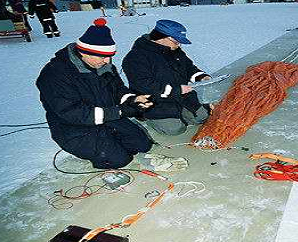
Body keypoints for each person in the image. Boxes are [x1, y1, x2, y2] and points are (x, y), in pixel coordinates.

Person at [36, 18, 187, 171]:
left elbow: (118, 90)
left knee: (143, 144)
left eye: (110, 56)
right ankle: (96, 150)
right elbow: (74, 113)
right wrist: (120, 111)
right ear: (84, 52)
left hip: (107, 118)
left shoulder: (104, 66)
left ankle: (110, 140)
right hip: (74, 127)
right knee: (119, 159)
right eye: (102, 56)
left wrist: (133, 100)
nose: (107, 61)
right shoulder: (54, 75)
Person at [122, 19, 212, 136]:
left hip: (180, 96)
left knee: (202, 117)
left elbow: (189, 67)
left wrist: (202, 77)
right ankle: (143, 117)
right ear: (164, 37)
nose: (179, 45)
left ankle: (180, 115)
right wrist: (177, 90)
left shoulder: (175, 50)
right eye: (176, 41)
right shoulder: (135, 57)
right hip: (154, 101)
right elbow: (144, 86)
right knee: (175, 129)